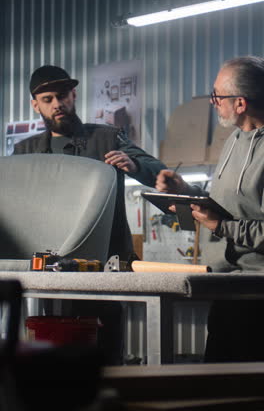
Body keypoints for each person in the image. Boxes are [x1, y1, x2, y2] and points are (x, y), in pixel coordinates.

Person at [14, 64, 167, 365]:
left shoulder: (108, 139)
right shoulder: (25, 152)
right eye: (47, 98)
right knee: (52, 353)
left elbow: (157, 172)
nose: (57, 103)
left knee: (106, 359)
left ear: (73, 95)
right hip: (48, 272)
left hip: (103, 269)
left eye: (62, 95)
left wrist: (135, 166)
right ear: (36, 104)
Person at [156, 56, 264, 362]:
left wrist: (220, 226)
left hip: (257, 293)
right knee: (217, 382)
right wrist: (186, 192)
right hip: (226, 286)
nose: (213, 101)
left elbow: (227, 221)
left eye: (217, 95)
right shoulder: (234, 140)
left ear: (240, 103)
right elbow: (229, 207)